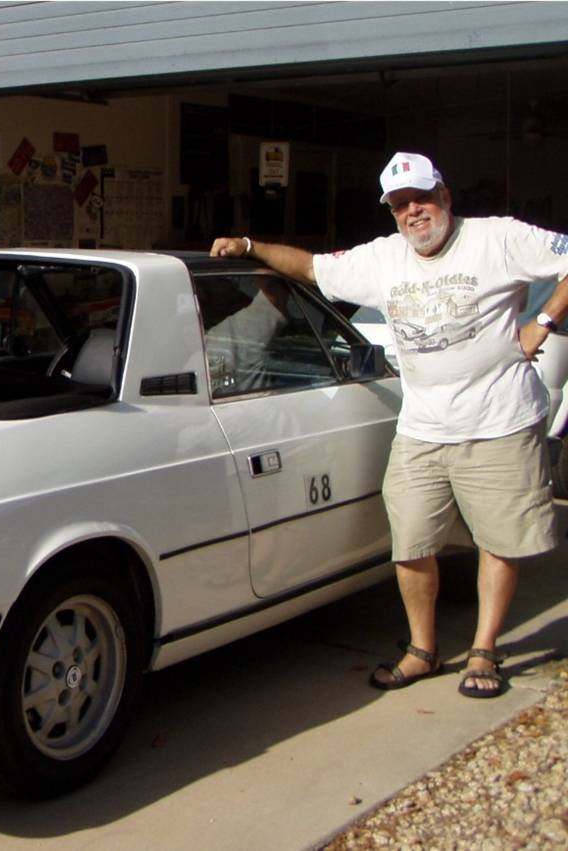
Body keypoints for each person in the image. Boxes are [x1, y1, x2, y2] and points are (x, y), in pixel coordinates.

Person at [211, 151, 568, 698]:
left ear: (445, 197)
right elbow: (311, 269)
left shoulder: (498, 238)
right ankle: (422, 649)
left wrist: (540, 324)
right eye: (400, 205)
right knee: (411, 542)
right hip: (422, 428)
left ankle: (484, 651)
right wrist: (250, 247)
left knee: (497, 542)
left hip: (499, 422)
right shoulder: (383, 259)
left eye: (421, 199)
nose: (412, 212)